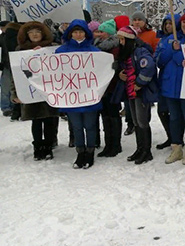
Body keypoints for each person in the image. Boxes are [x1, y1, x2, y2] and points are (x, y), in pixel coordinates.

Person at [55, 19, 103, 169]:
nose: (78, 34)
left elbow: (102, 71)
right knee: (76, 126)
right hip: (71, 97)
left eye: (80, 31)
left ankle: (90, 152)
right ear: (70, 34)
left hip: (89, 96)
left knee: (89, 125)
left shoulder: (95, 52)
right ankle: (80, 152)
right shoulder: (61, 52)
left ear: (86, 33)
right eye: (75, 32)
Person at [156, 13, 185, 165]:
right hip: (170, 86)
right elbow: (160, 61)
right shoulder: (170, 39)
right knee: (174, 118)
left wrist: (178, 52)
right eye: (184, 23)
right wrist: (172, 48)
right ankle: (176, 148)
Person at [10, 21, 59, 160]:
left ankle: (48, 147)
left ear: (43, 34)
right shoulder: (20, 51)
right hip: (30, 91)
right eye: (31, 33)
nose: (35, 35)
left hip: (49, 91)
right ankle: (37, 147)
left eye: (37, 32)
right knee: (36, 122)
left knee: (49, 120)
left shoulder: (52, 48)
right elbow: (16, 75)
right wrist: (16, 93)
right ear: (27, 35)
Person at [114, 26, 158, 165]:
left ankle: (147, 151)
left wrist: (139, 82)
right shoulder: (127, 52)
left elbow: (149, 67)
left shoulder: (140, 51)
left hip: (140, 91)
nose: (120, 42)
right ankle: (140, 148)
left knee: (142, 121)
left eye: (122, 39)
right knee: (136, 121)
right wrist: (120, 73)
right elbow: (125, 66)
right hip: (130, 91)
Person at [93, 19, 123, 158]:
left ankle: (116, 145)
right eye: (99, 31)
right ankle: (108, 144)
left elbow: (116, 63)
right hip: (101, 85)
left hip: (112, 84)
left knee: (113, 114)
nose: (100, 34)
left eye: (103, 31)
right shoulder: (97, 45)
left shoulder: (115, 46)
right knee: (105, 114)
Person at [155, 15, 176, 150]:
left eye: (171, 23)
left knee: (174, 112)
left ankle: (176, 138)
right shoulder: (162, 40)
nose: (168, 26)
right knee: (162, 111)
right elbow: (157, 58)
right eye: (166, 23)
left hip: (173, 80)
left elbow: (165, 57)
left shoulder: (177, 39)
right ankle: (171, 136)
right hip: (163, 79)